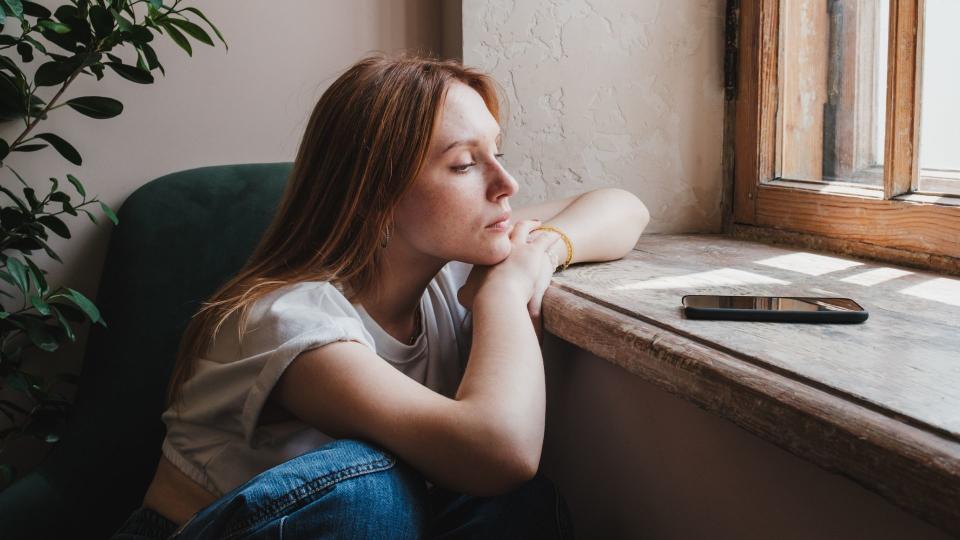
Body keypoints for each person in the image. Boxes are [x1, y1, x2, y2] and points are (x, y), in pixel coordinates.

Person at [110, 51, 649, 539]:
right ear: (375, 194)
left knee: (514, 508)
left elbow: (623, 207)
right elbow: (499, 450)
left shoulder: (446, 261)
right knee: (368, 491)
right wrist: (506, 292)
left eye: (498, 153)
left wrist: (544, 252)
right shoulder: (290, 322)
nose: (506, 182)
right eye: (465, 164)